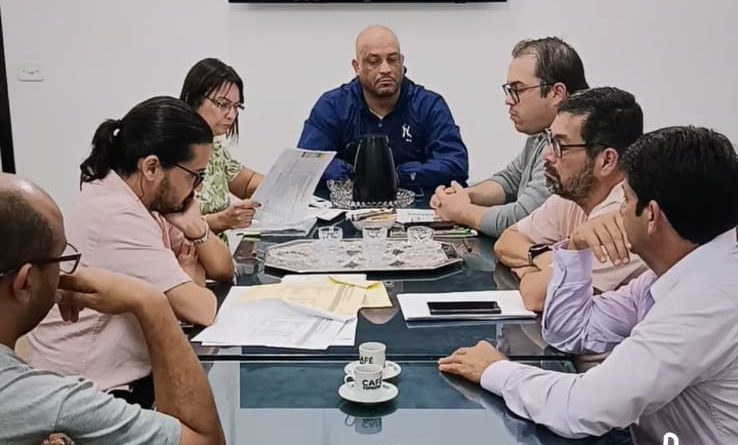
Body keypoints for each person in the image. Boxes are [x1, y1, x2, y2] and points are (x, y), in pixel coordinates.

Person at [439, 126, 738, 444]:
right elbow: (569, 331)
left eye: (626, 199)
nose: (619, 211)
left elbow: (581, 409)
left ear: (651, 216)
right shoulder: (677, 271)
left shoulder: (706, 301)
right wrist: (575, 248)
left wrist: (495, 370)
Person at [26, 96, 234, 407]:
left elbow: (222, 268)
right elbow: (201, 309)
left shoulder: (145, 201)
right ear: (151, 167)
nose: (198, 188)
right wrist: (191, 276)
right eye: (195, 176)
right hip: (89, 391)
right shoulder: (117, 215)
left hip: (120, 374)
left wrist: (196, 228)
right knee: (208, 418)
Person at [0, 173, 224, 444]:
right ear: (25, 282)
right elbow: (205, 440)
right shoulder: (50, 402)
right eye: (60, 258)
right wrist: (151, 303)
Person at [493, 87, 649, 312]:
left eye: (560, 145)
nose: (547, 155)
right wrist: (541, 257)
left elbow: (536, 297)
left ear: (606, 161)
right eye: (549, 141)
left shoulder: (623, 219)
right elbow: (507, 240)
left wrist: (526, 269)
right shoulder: (574, 194)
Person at [431, 37, 589, 237]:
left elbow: (522, 221)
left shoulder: (574, 143)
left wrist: (462, 211)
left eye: (518, 90)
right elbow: (509, 181)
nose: (508, 100)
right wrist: (464, 195)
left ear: (556, 93)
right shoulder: (542, 132)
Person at [297, 25, 468, 195]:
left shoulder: (428, 105)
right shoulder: (333, 106)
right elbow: (306, 162)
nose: (385, 69)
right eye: (374, 61)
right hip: (348, 205)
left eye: (392, 60)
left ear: (402, 61)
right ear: (357, 67)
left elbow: (455, 163)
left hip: (417, 204)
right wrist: (358, 175)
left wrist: (396, 175)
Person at [180, 58, 263, 236]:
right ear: (193, 99)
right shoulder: (170, 151)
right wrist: (221, 221)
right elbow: (168, 226)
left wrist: (285, 185)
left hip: (217, 252)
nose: (232, 115)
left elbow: (247, 183)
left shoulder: (214, 147)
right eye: (223, 105)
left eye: (236, 107)